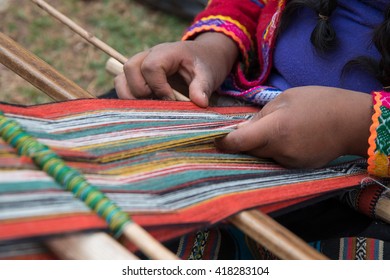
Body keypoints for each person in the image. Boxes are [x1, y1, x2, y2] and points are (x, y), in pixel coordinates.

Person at [114, 0, 390, 259]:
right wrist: (213, 48)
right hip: (246, 110)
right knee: (115, 155)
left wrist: (355, 124)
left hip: (367, 188)